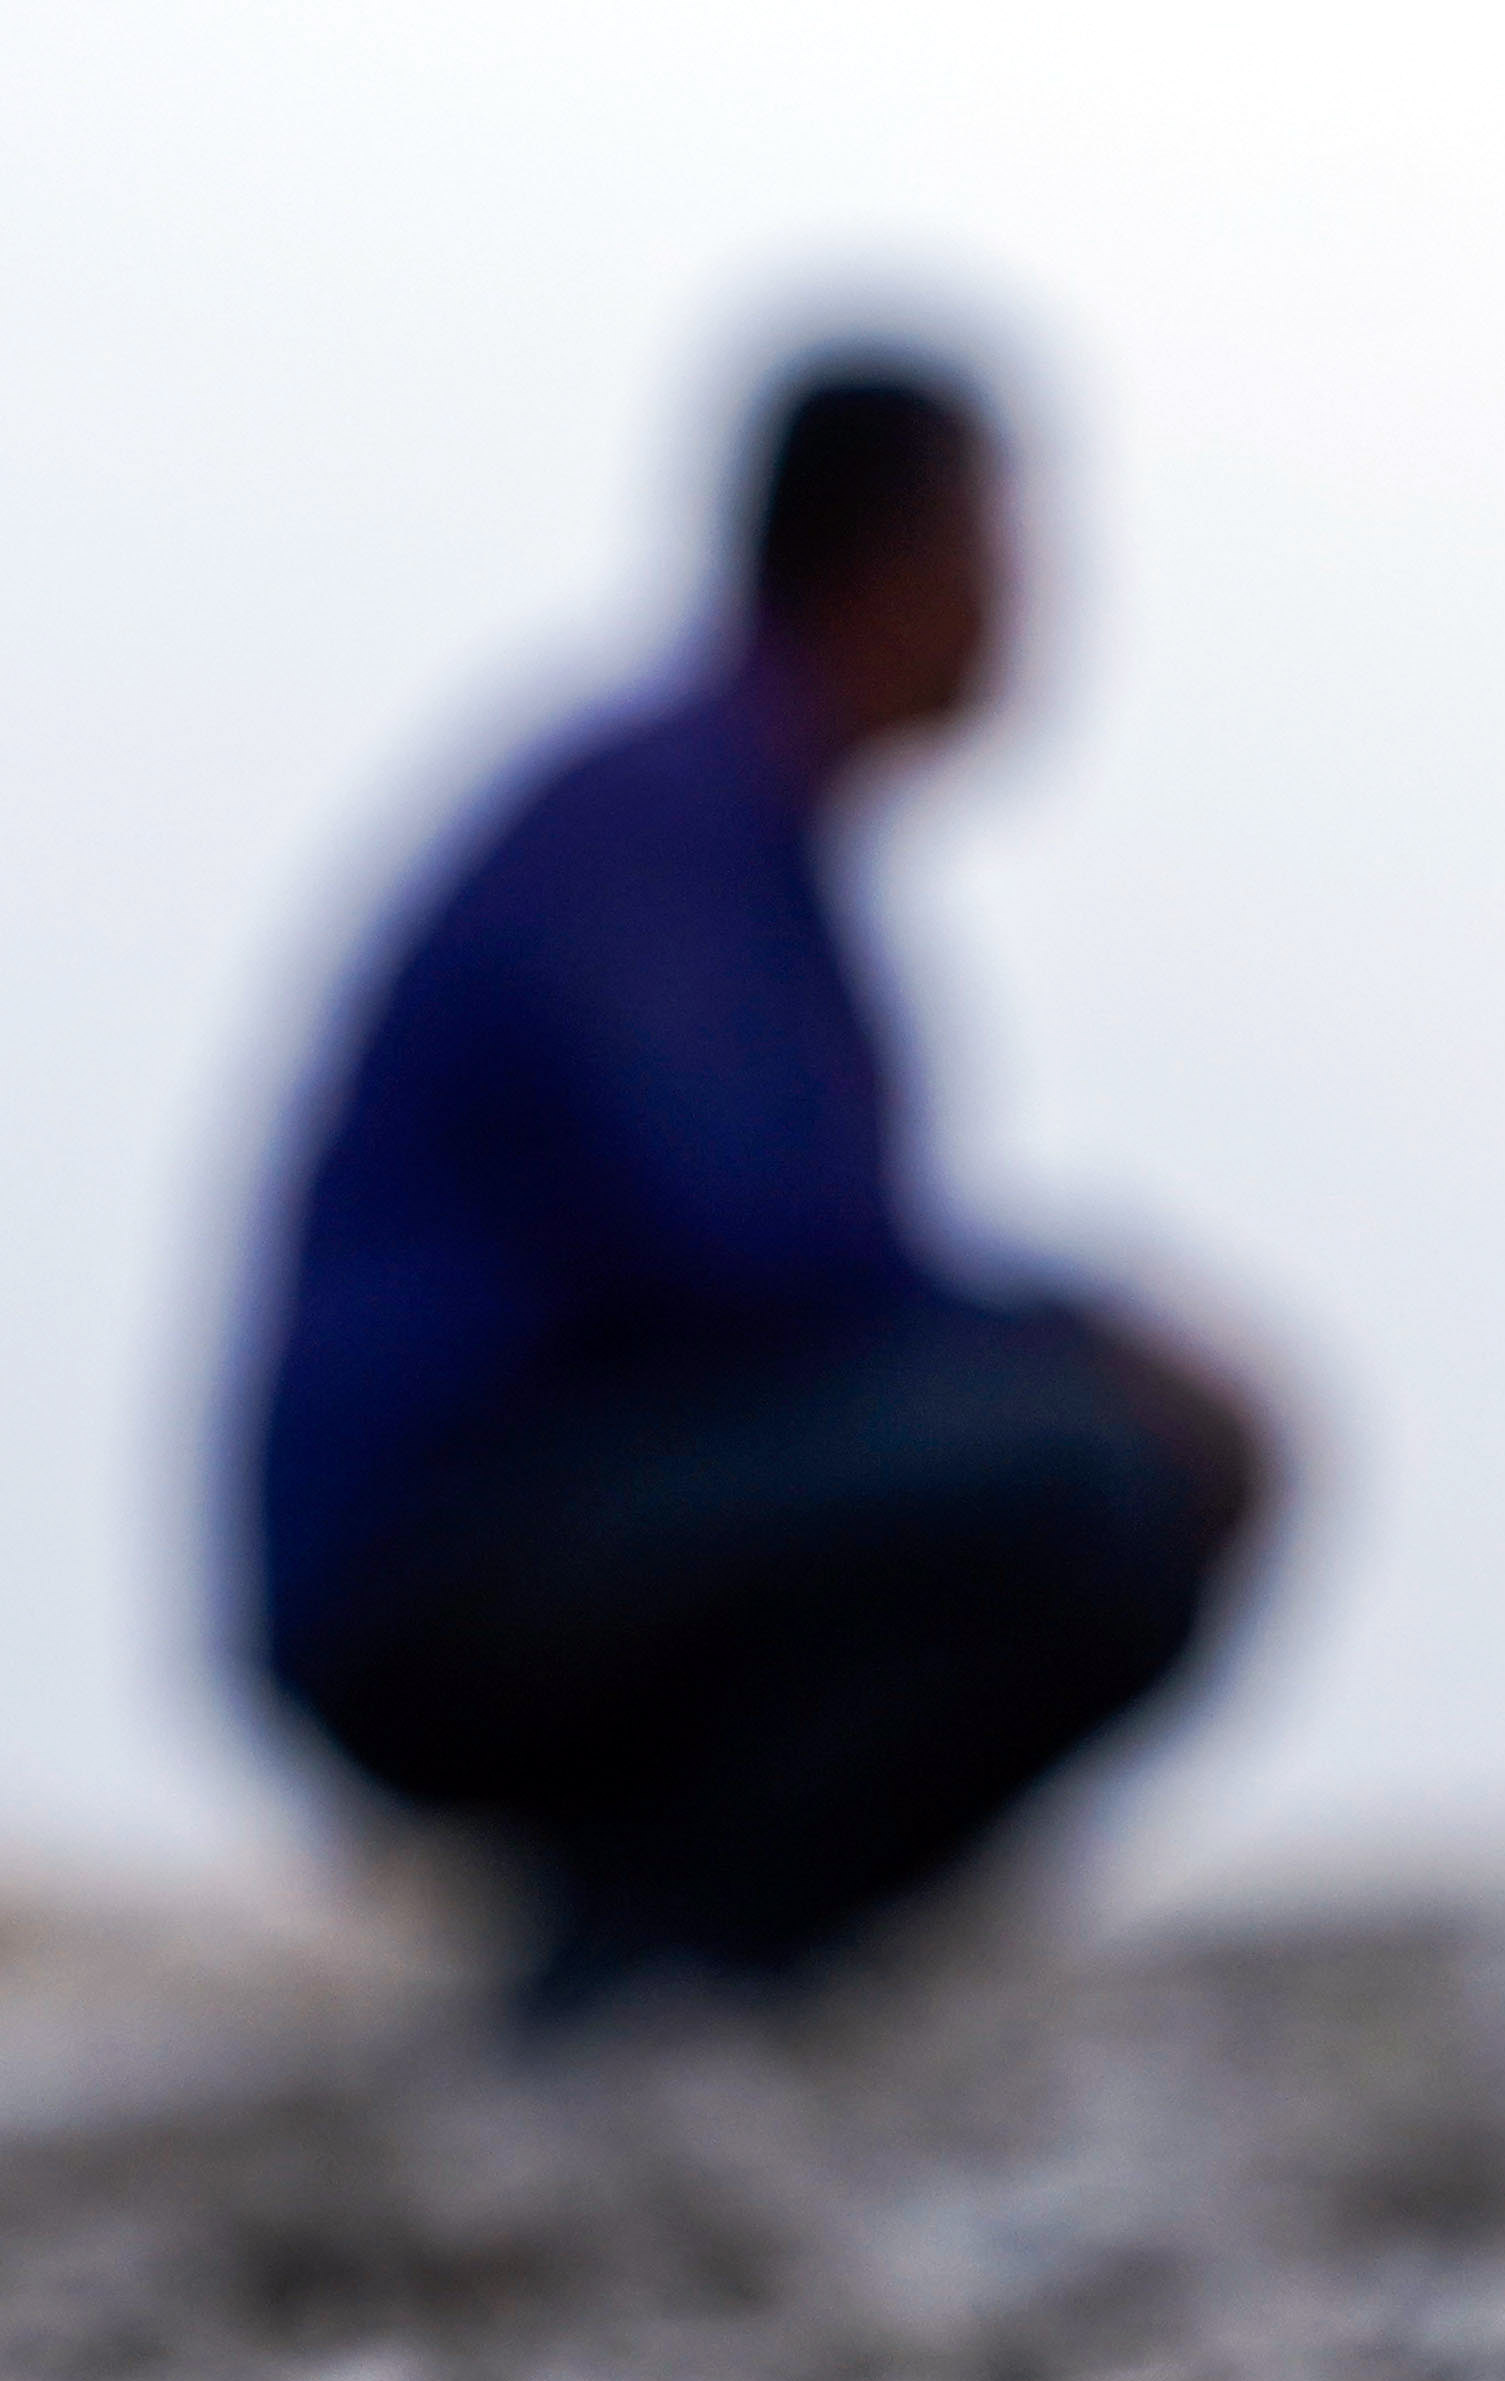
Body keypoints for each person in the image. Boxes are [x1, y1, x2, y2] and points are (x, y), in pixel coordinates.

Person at [231, 346, 1278, 2020]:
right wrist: (1089, 1331)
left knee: (1102, 1452)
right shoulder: (660, 819)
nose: (1029, 617)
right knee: (1100, 1474)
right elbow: (749, 1248)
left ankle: (693, 1951)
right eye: (1002, 556)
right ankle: (651, 1961)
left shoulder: (751, 839)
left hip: (562, 1519)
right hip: (438, 1559)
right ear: (897, 555)